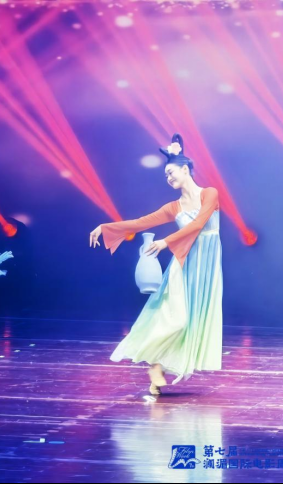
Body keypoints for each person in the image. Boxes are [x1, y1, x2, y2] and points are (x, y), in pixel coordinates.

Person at [89, 134, 222, 395]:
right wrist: (105, 227)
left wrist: (165, 241)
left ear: (185, 169)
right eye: (165, 176)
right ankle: (154, 366)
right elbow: (140, 222)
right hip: (183, 265)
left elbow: (198, 224)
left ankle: (157, 370)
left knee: (192, 324)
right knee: (177, 320)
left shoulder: (210, 194)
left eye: (171, 173)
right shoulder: (173, 207)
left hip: (206, 268)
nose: (168, 178)